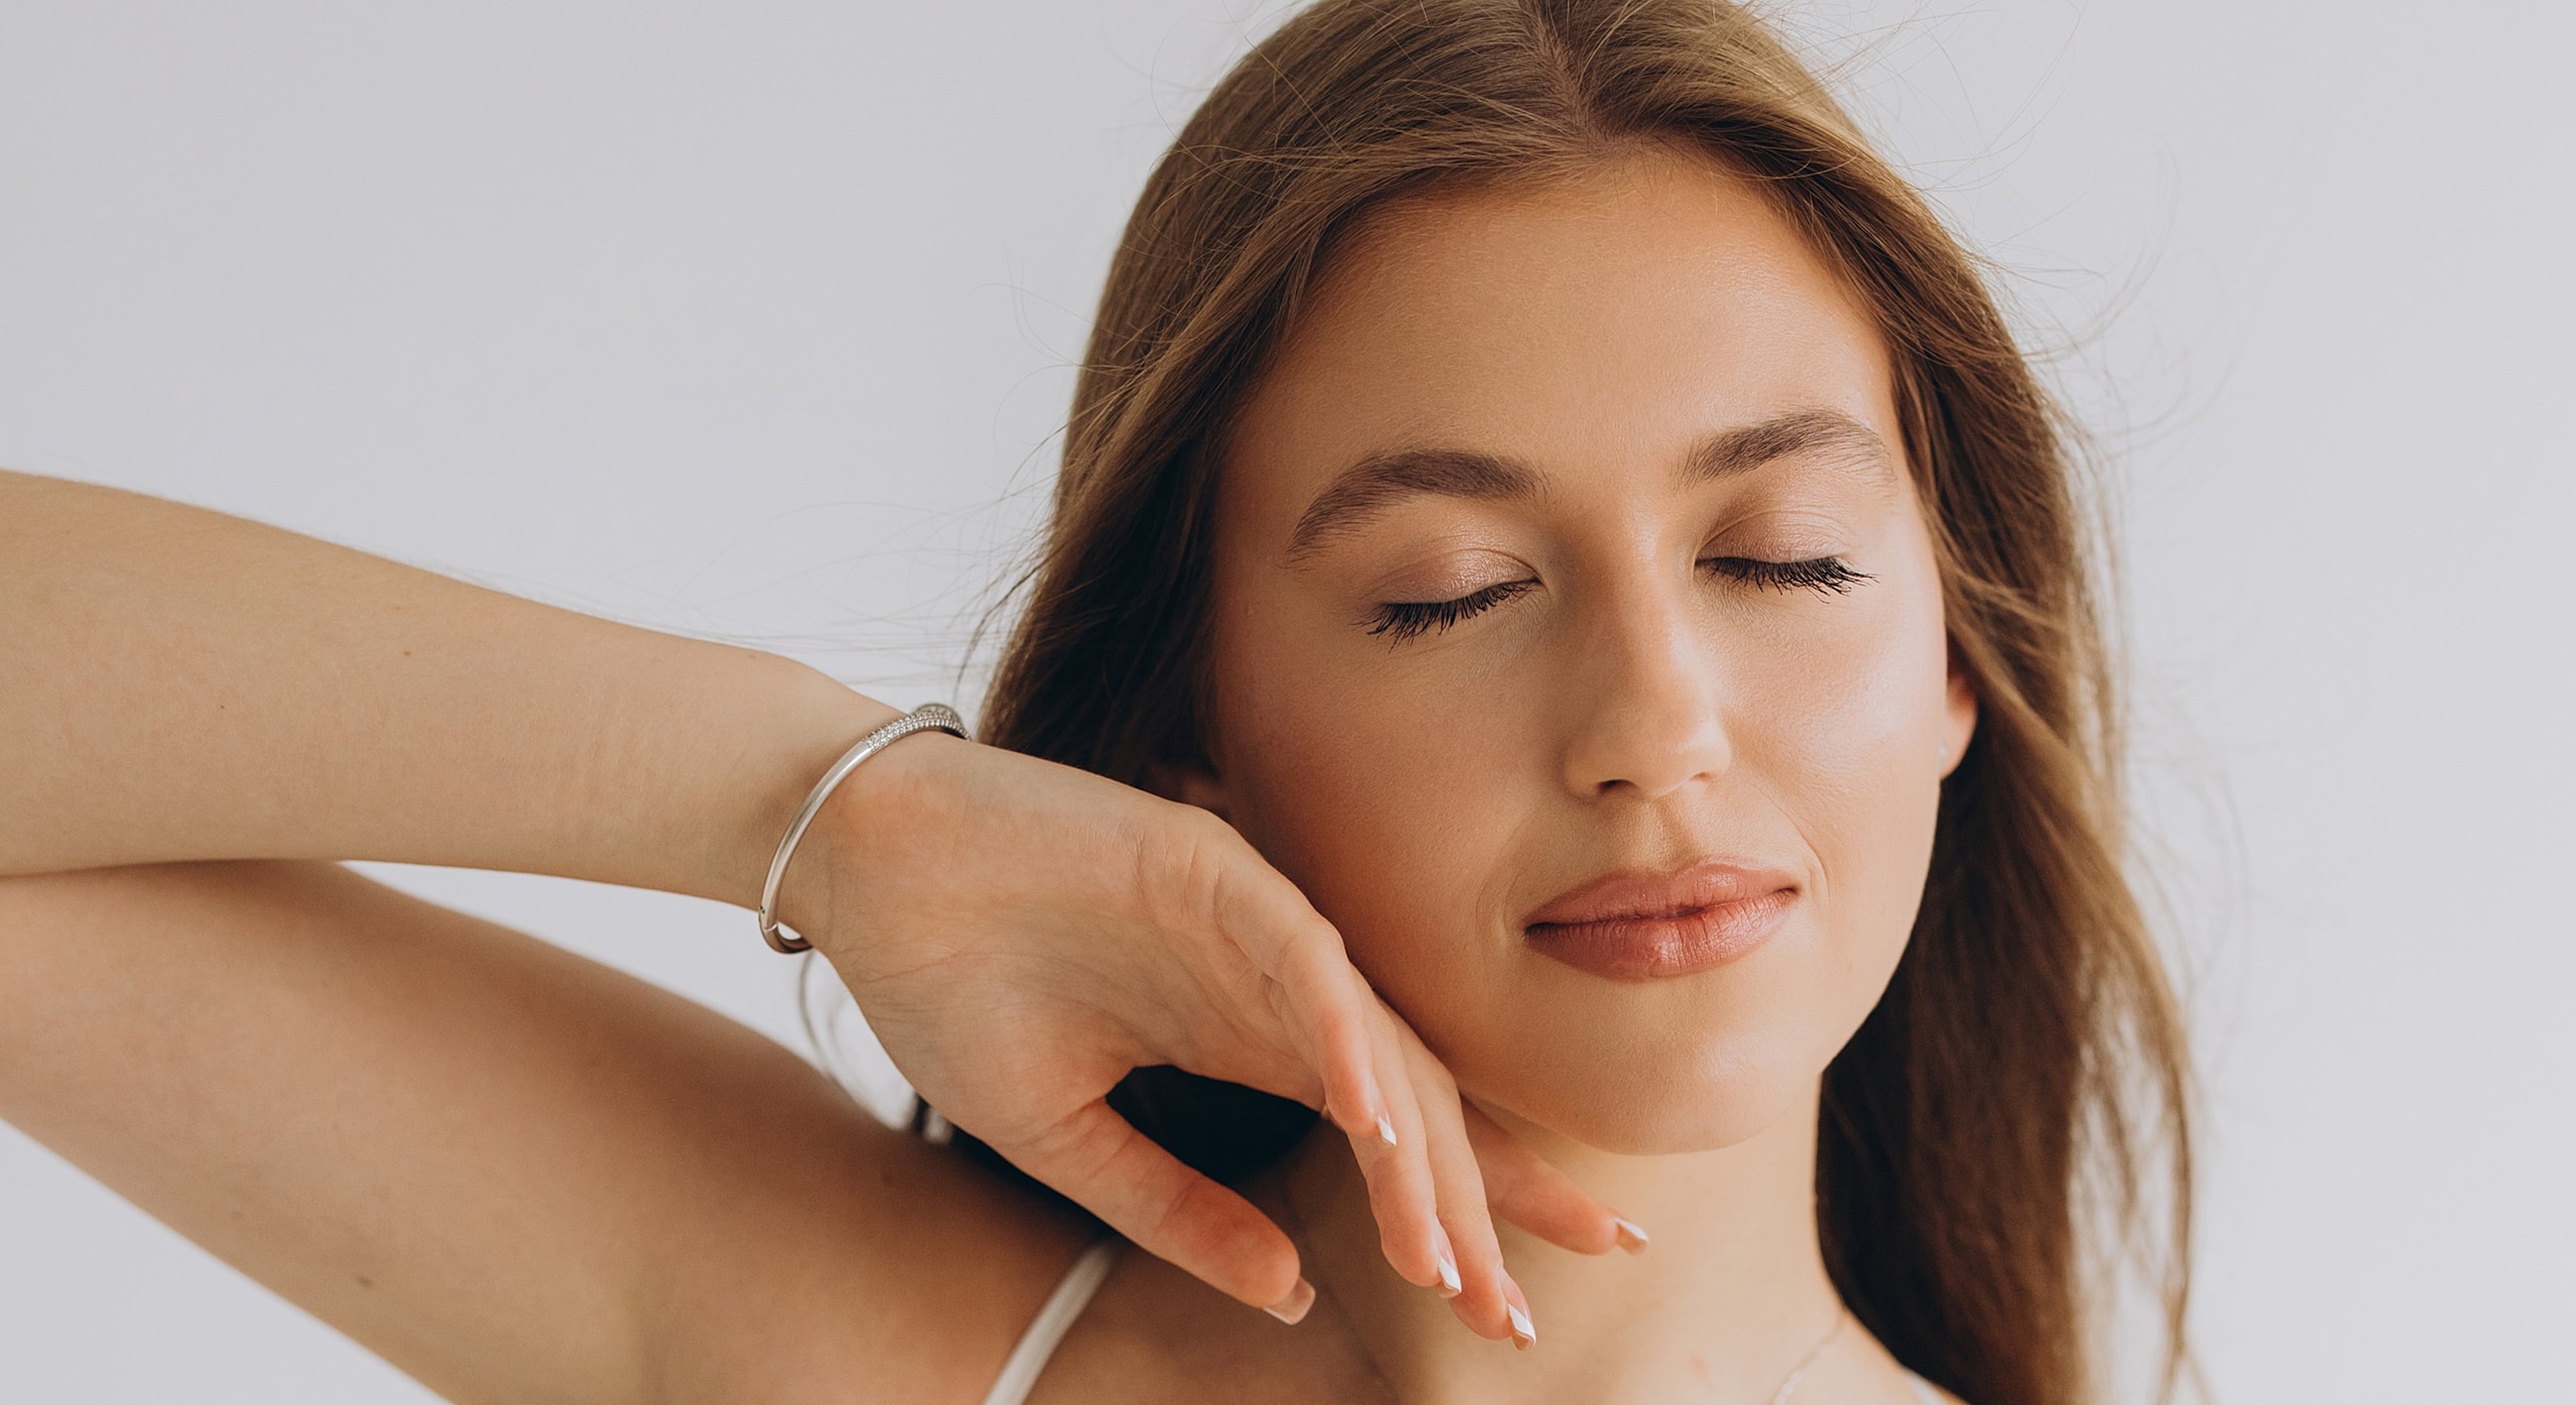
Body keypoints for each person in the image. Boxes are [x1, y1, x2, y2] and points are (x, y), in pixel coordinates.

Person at [0, 1, 2195, 1401]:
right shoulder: (857, 1347)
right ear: (1192, 738)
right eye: (1448, 595)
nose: (1655, 718)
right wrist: (849, 814)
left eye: (1781, 558)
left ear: (1954, 664)